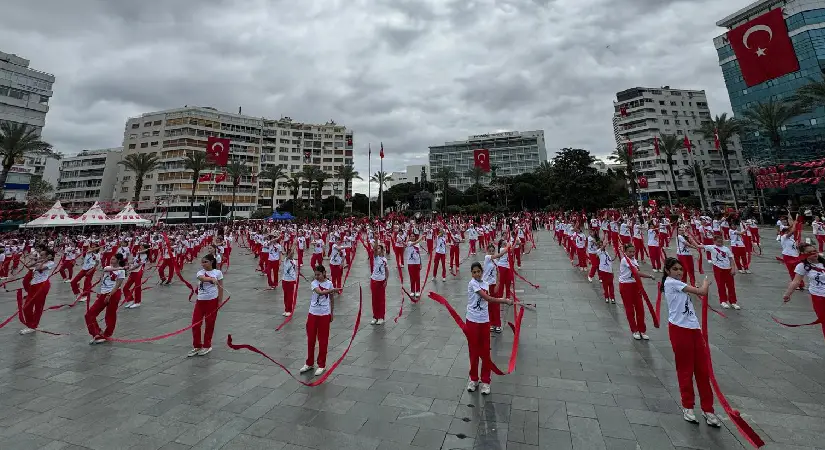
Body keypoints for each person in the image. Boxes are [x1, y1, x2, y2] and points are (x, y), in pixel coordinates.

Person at [660, 257, 721, 427]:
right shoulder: (671, 283)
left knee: (702, 370)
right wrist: (706, 283)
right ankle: (688, 406)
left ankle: (708, 409)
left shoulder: (678, 283)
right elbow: (701, 292)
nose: (679, 272)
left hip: (694, 328)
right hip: (679, 330)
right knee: (685, 370)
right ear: (667, 271)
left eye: (680, 269)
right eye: (675, 269)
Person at [466, 261, 514, 395]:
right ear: (471, 273)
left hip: (484, 321)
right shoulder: (472, 283)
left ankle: (486, 381)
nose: (476, 274)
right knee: (474, 352)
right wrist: (504, 300)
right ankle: (474, 379)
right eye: (474, 272)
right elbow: (488, 298)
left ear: (482, 272)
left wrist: (499, 280)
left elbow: (495, 283)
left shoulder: (485, 283)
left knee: (486, 352)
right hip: (472, 320)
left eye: (478, 271)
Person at [300, 265, 341, 376]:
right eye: (316, 275)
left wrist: (332, 313)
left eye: (319, 274)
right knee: (311, 340)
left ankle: (321, 364)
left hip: (324, 314)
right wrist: (333, 290)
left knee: (323, 341)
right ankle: (309, 363)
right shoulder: (314, 283)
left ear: (324, 273)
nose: (317, 276)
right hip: (313, 313)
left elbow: (331, 299)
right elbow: (319, 292)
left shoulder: (329, 284)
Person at [782, 243, 825, 339]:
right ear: (803, 254)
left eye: (815, 251)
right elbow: (796, 282)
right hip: (818, 297)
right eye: (810, 252)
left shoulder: (823, 262)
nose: (814, 253)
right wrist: (787, 294)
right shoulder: (803, 266)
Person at [85, 254, 127, 344]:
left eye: (113, 259)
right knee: (89, 314)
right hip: (103, 294)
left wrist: (109, 295)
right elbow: (106, 270)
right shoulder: (109, 267)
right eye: (111, 258)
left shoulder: (122, 272)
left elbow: (118, 285)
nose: (111, 260)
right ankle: (96, 333)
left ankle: (107, 334)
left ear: (118, 260)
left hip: (114, 294)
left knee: (110, 315)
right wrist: (121, 268)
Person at [188, 254, 224, 357]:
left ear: (212, 262)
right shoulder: (200, 272)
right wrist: (211, 280)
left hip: (212, 301)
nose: (203, 264)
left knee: (209, 324)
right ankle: (197, 345)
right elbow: (202, 278)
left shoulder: (218, 272)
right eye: (202, 262)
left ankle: (207, 345)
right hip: (200, 301)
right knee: (195, 323)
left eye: (205, 262)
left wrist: (220, 302)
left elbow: (221, 288)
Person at [618, 243, 655, 340]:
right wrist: (649, 276)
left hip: (635, 285)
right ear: (625, 252)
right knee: (630, 309)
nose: (632, 253)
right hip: (626, 285)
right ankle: (634, 330)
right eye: (629, 252)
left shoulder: (634, 260)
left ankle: (642, 330)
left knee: (640, 308)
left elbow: (636, 273)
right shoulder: (625, 260)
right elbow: (636, 272)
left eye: (633, 251)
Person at [19, 248, 56, 335]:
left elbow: (39, 269)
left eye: (42, 255)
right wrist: (38, 260)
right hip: (33, 285)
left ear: (48, 256)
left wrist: (43, 261)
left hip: (42, 285)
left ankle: (33, 326)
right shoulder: (39, 261)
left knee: (38, 306)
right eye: (40, 254)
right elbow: (29, 266)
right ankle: (30, 324)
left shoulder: (51, 263)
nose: (40, 256)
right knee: (26, 307)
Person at [484, 243, 508, 333]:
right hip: (486, 286)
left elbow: (498, 273)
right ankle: (491, 323)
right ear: (487, 251)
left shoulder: (496, 262)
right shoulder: (487, 258)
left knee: (496, 305)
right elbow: (500, 254)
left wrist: (498, 284)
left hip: (493, 285)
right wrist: (508, 246)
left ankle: (498, 324)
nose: (491, 252)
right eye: (489, 251)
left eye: (492, 251)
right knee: (489, 305)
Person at [123, 244, 148, 309]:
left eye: (142, 246)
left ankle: (137, 302)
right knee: (125, 288)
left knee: (137, 287)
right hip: (133, 271)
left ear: (144, 248)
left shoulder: (145, 255)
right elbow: (134, 261)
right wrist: (129, 264)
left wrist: (130, 269)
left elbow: (138, 265)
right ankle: (130, 300)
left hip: (138, 272)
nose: (140, 247)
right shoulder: (138, 253)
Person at [369, 243, 388, 325]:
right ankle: (375, 316)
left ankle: (381, 317)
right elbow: (375, 250)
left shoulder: (384, 260)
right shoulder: (375, 257)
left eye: (380, 248)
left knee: (381, 300)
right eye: (377, 249)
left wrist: (386, 280)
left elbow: (387, 271)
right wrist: (376, 239)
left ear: (383, 250)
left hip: (381, 281)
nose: (378, 250)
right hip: (374, 280)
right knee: (374, 299)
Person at [281, 246, 298, 317]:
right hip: (285, 280)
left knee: (290, 295)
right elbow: (288, 256)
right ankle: (286, 309)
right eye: (290, 254)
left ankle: (289, 310)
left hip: (291, 280)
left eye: (293, 253)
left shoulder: (294, 261)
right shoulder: (285, 260)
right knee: (285, 295)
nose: (292, 254)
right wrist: (293, 246)